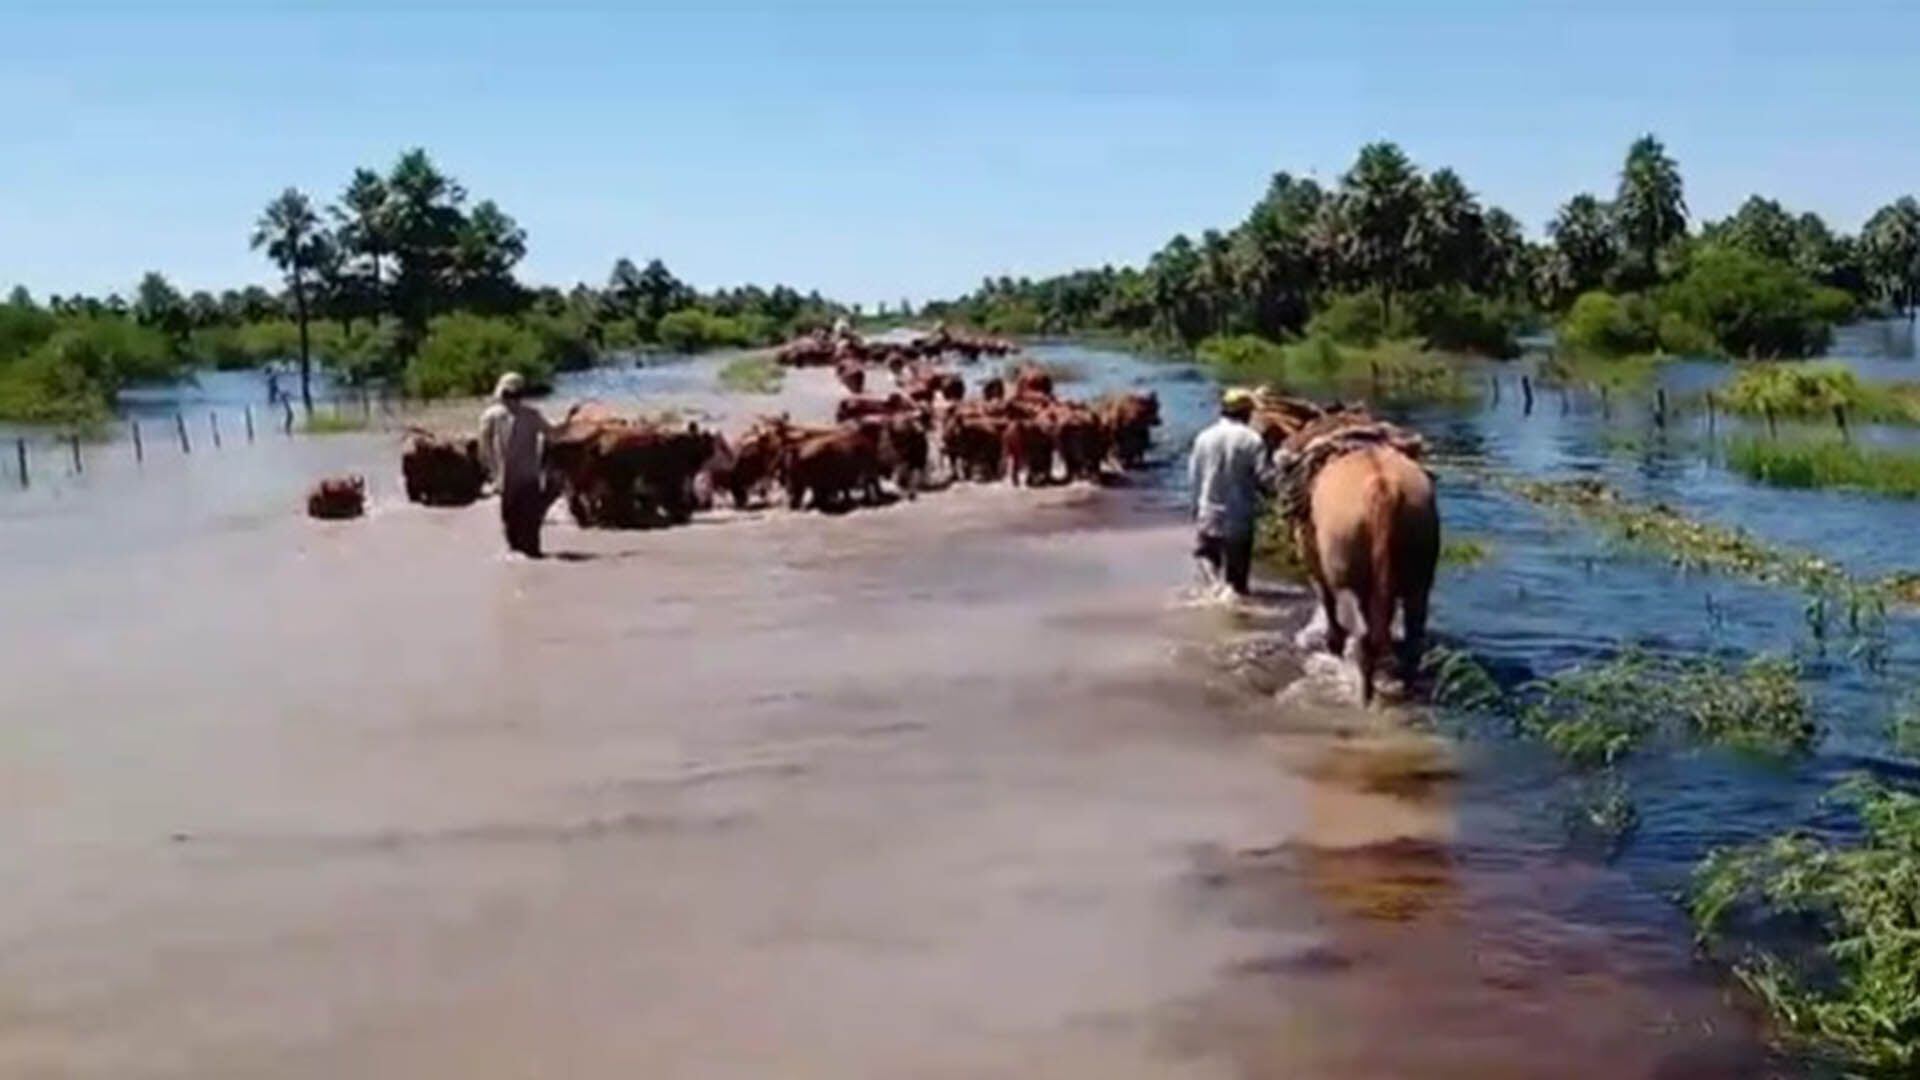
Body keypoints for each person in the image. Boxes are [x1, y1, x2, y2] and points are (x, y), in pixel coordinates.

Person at [1188, 387, 1273, 596]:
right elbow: (1264, 478)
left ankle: (1214, 588)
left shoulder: (1203, 437)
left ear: (1223, 410)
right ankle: (1233, 599)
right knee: (1238, 582)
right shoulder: (1253, 440)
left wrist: (1195, 508)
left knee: (1205, 556)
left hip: (1209, 512)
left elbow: (1194, 478)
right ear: (1247, 413)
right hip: (1240, 516)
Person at [478, 372, 555, 558]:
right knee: (517, 525)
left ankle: (523, 563)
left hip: (521, 478)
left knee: (524, 526)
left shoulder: (529, 415)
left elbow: (550, 434)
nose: (511, 399)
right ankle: (524, 557)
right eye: (510, 395)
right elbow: (484, 446)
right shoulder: (496, 417)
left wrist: (492, 471)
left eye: (513, 395)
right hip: (513, 478)